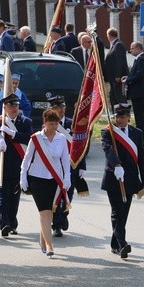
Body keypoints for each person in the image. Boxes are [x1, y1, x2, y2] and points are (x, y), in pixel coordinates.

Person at [101, 104, 144, 259]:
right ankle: (123, 244)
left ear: (129, 117)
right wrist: (116, 165)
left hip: (130, 179)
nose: (120, 119)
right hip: (113, 176)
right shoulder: (108, 131)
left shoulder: (137, 133)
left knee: (124, 212)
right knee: (117, 211)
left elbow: (142, 158)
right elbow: (108, 149)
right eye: (118, 117)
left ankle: (114, 243)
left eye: (123, 116)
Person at [20, 109, 71, 256]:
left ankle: (43, 240)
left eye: (56, 124)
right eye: (51, 124)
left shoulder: (61, 138)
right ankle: (50, 245)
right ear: (44, 123)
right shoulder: (36, 138)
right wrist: (23, 176)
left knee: (50, 212)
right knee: (45, 211)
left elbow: (65, 161)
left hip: (55, 179)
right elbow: (27, 159)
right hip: (37, 178)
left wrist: (66, 178)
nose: (54, 127)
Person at [45, 95, 86, 237]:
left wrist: (82, 166)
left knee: (68, 195)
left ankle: (64, 214)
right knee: (55, 196)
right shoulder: (47, 126)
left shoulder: (73, 124)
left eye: (62, 106)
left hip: (70, 167)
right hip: (53, 168)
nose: (61, 109)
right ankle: (56, 225)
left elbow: (80, 146)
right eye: (57, 107)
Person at [0, 93, 33, 236]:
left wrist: (13, 134)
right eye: (10, 105)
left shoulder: (25, 122)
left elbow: (29, 138)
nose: (13, 108)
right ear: (5, 107)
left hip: (18, 165)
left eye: (15, 105)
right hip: (1, 165)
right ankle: (4, 224)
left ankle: (12, 223)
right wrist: (0, 141)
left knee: (14, 197)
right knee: (2, 197)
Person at [123, 41, 144, 132]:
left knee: (139, 114)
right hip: (136, 91)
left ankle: (140, 133)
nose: (130, 50)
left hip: (139, 91)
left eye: (132, 48)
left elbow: (140, 75)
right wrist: (128, 77)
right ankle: (139, 131)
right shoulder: (138, 59)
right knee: (137, 113)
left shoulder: (142, 59)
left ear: (138, 49)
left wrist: (127, 80)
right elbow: (135, 73)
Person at [104, 27, 129, 106]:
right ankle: (116, 113)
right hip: (112, 77)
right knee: (113, 96)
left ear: (109, 35)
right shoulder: (114, 45)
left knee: (119, 97)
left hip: (117, 77)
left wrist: (118, 75)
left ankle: (124, 113)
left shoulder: (118, 45)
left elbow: (120, 61)